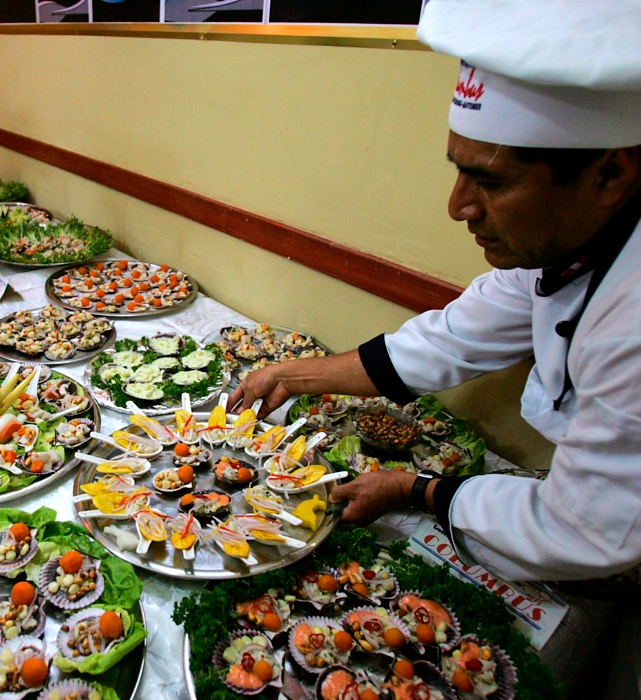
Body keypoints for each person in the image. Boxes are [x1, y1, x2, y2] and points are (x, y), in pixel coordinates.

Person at [229, 1, 641, 696]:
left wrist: (417, 487)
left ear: (609, 174)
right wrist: (294, 377)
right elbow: (450, 336)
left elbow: (581, 529)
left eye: (492, 180)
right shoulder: (576, 242)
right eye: (458, 170)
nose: (457, 206)